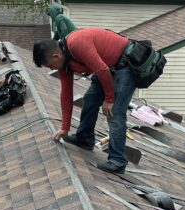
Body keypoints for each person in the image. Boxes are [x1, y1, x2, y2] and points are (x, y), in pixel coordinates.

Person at [33, 28, 135, 174]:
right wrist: (65, 127)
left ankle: (118, 161)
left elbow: (102, 70)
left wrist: (109, 99)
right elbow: (66, 94)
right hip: (107, 67)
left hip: (125, 65)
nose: (51, 68)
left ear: (55, 56)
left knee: (114, 112)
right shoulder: (64, 62)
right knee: (90, 99)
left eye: (50, 65)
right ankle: (85, 139)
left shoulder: (77, 44)